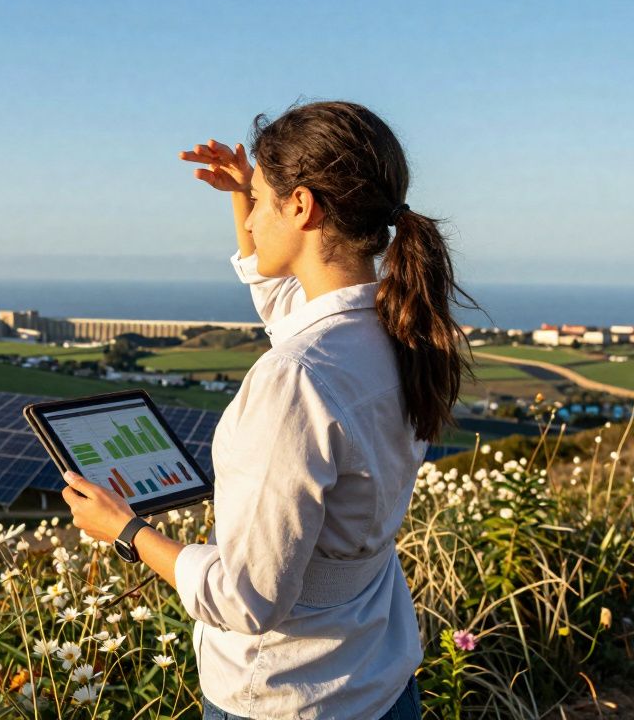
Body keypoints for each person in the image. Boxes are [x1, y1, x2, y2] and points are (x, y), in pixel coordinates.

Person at [61, 100, 474, 719]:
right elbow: (291, 308)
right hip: (376, 678)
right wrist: (240, 194)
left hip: (287, 693)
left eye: (259, 201)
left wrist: (125, 531)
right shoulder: (398, 332)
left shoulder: (296, 380)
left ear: (302, 206)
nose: (250, 219)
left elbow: (247, 599)